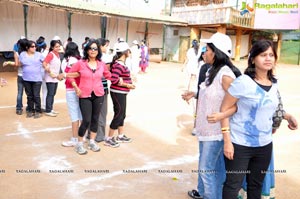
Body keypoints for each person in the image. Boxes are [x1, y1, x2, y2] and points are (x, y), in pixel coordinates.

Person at [217, 40, 280, 199]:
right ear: (252, 59)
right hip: (240, 145)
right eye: (263, 55)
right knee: (233, 185)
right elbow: (224, 111)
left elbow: (269, 107)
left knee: (256, 185)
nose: (268, 59)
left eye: (271, 55)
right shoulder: (243, 82)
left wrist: (287, 116)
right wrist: (227, 141)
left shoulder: (274, 83)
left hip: (264, 145)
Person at [182, 32, 241, 199]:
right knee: (211, 169)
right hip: (206, 130)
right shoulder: (212, 71)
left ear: (215, 52)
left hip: (216, 132)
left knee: (207, 171)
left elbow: (237, 105)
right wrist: (194, 94)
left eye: (206, 49)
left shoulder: (226, 74)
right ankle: (204, 193)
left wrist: (222, 114)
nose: (203, 53)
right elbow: (213, 95)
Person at [63, 39, 111, 155]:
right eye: (90, 48)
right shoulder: (80, 63)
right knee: (86, 120)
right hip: (84, 95)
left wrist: (120, 78)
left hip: (99, 94)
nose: (93, 50)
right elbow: (70, 75)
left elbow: (108, 76)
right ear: (87, 50)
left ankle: (92, 142)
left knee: (95, 119)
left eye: (95, 48)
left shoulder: (101, 64)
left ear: (98, 50)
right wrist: (75, 87)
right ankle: (79, 144)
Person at [104, 42, 136, 148]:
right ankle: (109, 138)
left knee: (122, 114)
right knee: (118, 115)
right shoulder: (118, 64)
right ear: (125, 52)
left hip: (121, 93)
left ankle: (120, 135)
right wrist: (127, 85)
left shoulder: (120, 63)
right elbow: (114, 79)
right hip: (118, 93)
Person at [60, 41, 82, 147]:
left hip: (72, 89)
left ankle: (75, 139)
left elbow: (72, 75)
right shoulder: (79, 59)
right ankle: (83, 136)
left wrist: (65, 75)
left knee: (74, 115)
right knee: (80, 113)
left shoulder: (71, 60)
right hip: (79, 89)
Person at [18, 40, 44, 118]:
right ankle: (30, 110)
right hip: (26, 78)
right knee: (29, 95)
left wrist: (49, 69)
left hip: (37, 79)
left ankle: (38, 111)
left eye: (35, 46)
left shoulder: (39, 54)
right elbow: (20, 64)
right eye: (32, 46)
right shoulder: (22, 54)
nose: (34, 48)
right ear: (27, 47)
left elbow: (45, 63)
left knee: (36, 95)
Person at [3, 37, 28, 115]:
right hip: (29, 76)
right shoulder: (29, 53)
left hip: (20, 75)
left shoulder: (17, 53)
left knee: (20, 93)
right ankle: (29, 108)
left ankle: (19, 109)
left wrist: (9, 62)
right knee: (29, 93)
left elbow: (17, 64)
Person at [94, 37, 112, 142]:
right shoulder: (105, 58)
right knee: (101, 113)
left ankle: (90, 133)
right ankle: (99, 135)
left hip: (92, 88)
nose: (107, 47)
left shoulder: (91, 57)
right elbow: (108, 74)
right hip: (102, 89)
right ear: (101, 47)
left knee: (93, 112)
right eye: (106, 45)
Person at [42, 39, 62, 117]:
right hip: (50, 78)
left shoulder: (57, 54)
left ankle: (50, 108)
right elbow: (44, 63)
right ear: (52, 47)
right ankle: (48, 110)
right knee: (50, 94)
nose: (58, 48)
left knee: (53, 93)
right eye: (56, 47)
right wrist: (50, 72)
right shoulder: (50, 54)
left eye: (59, 46)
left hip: (55, 77)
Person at [36, 36, 48, 112]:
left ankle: (36, 105)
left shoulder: (35, 53)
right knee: (45, 90)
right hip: (44, 72)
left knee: (36, 91)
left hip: (36, 73)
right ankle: (44, 106)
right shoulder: (46, 52)